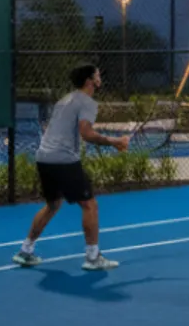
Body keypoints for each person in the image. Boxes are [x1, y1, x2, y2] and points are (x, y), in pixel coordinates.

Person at [13, 63, 128, 270]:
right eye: (97, 75)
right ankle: (93, 257)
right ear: (89, 81)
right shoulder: (87, 102)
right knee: (89, 205)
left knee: (53, 204)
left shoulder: (64, 100)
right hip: (63, 159)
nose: (100, 78)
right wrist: (115, 141)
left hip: (43, 157)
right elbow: (86, 133)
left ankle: (25, 250)